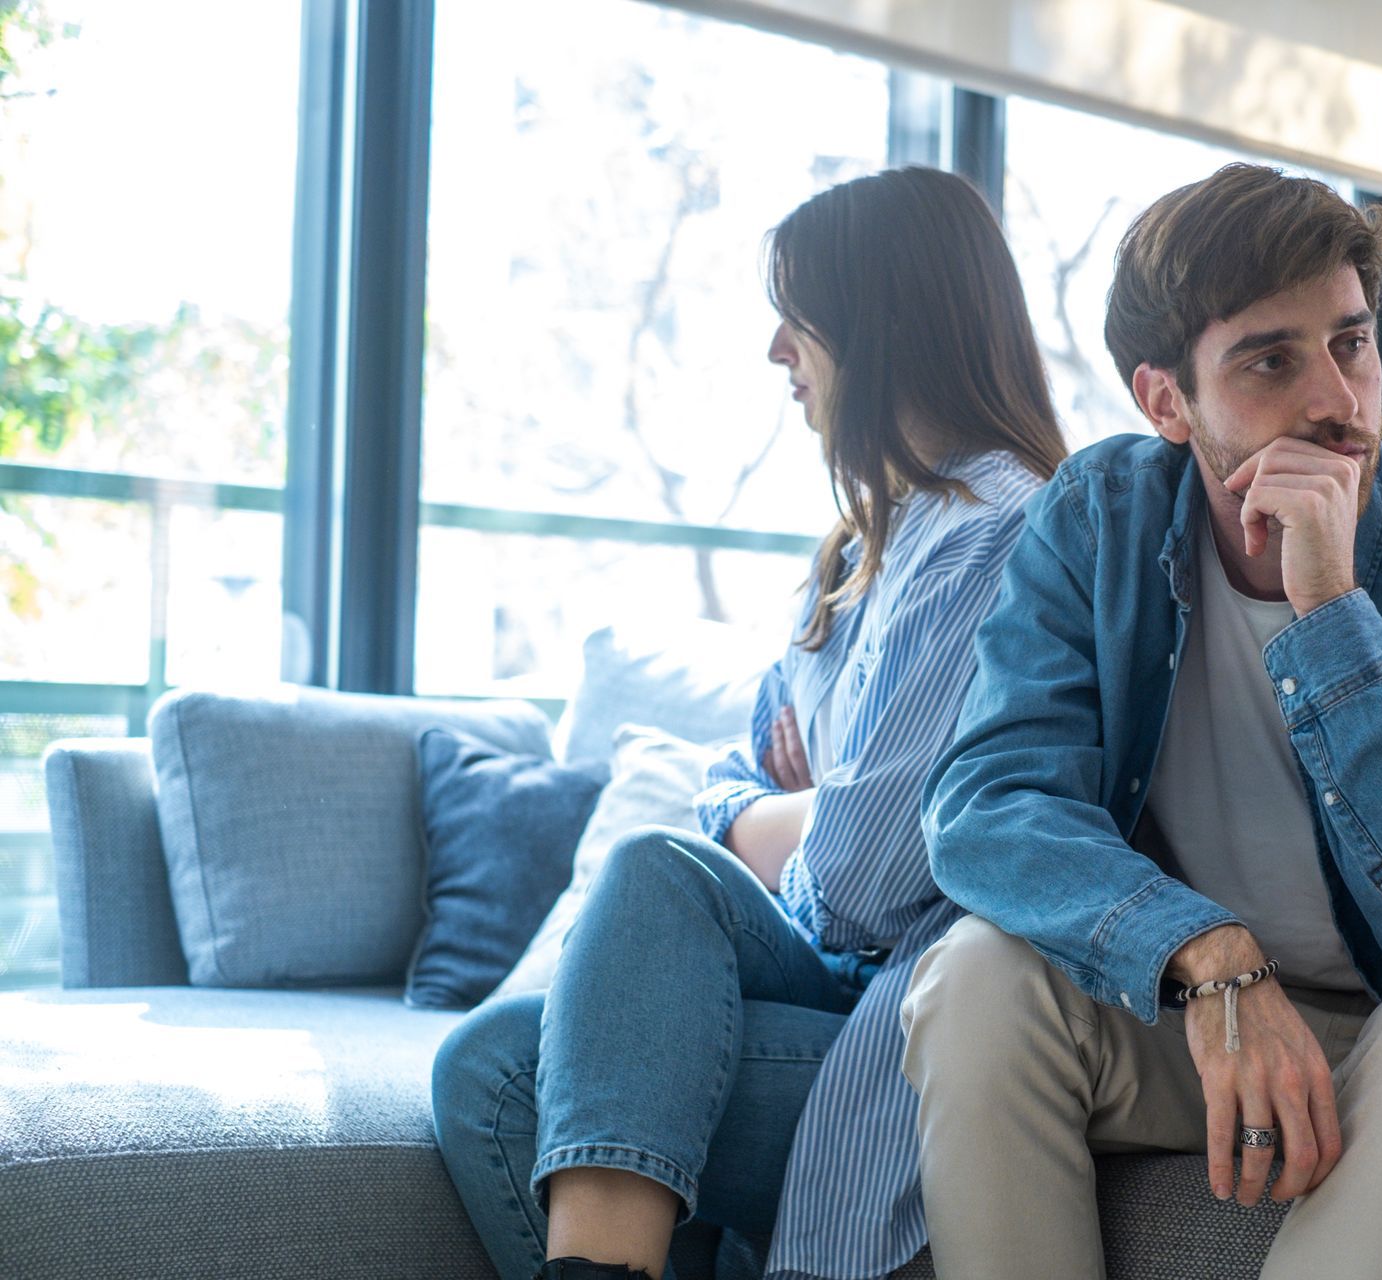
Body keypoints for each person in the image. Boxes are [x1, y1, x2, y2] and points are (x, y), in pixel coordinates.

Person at [903, 164, 1382, 1279]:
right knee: (977, 974)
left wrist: (1331, 616)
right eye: (1271, 360)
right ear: (1165, 402)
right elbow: (988, 805)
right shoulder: (1097, 521)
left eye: (1352, 342)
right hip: (1224, 1016)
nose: (1338, 400)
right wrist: (1208, 955)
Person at [431, 165, 1067, 1280]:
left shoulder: (996, 532)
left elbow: (864, 883)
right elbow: (731, 777)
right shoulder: (858, 553)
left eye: (799, 317)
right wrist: (805, 805)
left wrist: (810, 814)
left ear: (885, 324)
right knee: (511, 1031)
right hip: (828, 974)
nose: (778, 350)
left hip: (913, 1017)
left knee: (523, 1050)